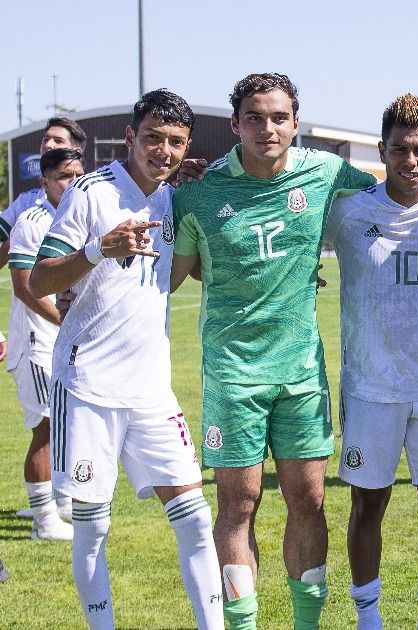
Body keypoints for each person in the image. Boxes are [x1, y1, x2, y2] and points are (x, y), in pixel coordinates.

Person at [170, 72, 418, 629]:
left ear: (296, 123)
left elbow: (406, 186)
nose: (268, 128)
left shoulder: (328, 175)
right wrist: (177, 174)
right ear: (235, 123)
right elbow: (171, 275)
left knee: (309, 503)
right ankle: (243, 625)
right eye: (255, 117)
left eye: (279, 117)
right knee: (238, 506)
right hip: (233, 375)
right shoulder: (199, 190)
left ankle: (310, 625)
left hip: (303, 373)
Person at [29, 89, 222, 629]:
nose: (163, 150)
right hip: (88, 387)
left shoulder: (172, 198)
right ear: (131, 137)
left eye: (175, 142)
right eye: (154, 137)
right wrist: (98, 250)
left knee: (196, 520)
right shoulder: (91, 194)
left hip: (152, 391)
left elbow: (199, 262)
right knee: (93, 527)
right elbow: (41, 278)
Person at [328, 94, 418, 630]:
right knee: (368, 505)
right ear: (382, 151)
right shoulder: (348, 211)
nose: (410, 162)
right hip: (370, 388)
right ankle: (369, 617)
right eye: (398, 150)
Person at [8, 147, 85, 541]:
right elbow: (25, 288)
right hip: (37, 342)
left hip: (63, 343)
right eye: (63, 177)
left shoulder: (77, 215)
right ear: (45, 183)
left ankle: (60, 500)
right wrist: (67, 320)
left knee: (64, 423)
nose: (71, 183)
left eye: (77, 175)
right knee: (46, 427)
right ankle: (43, 521)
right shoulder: (32, 221)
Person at [0, 117, 87, 245]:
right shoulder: (26, 202)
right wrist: (19, 237)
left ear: (76, 152)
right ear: (44, 183)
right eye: (45, 139)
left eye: (58, 141)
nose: (48, 145)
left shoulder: (94, 199)